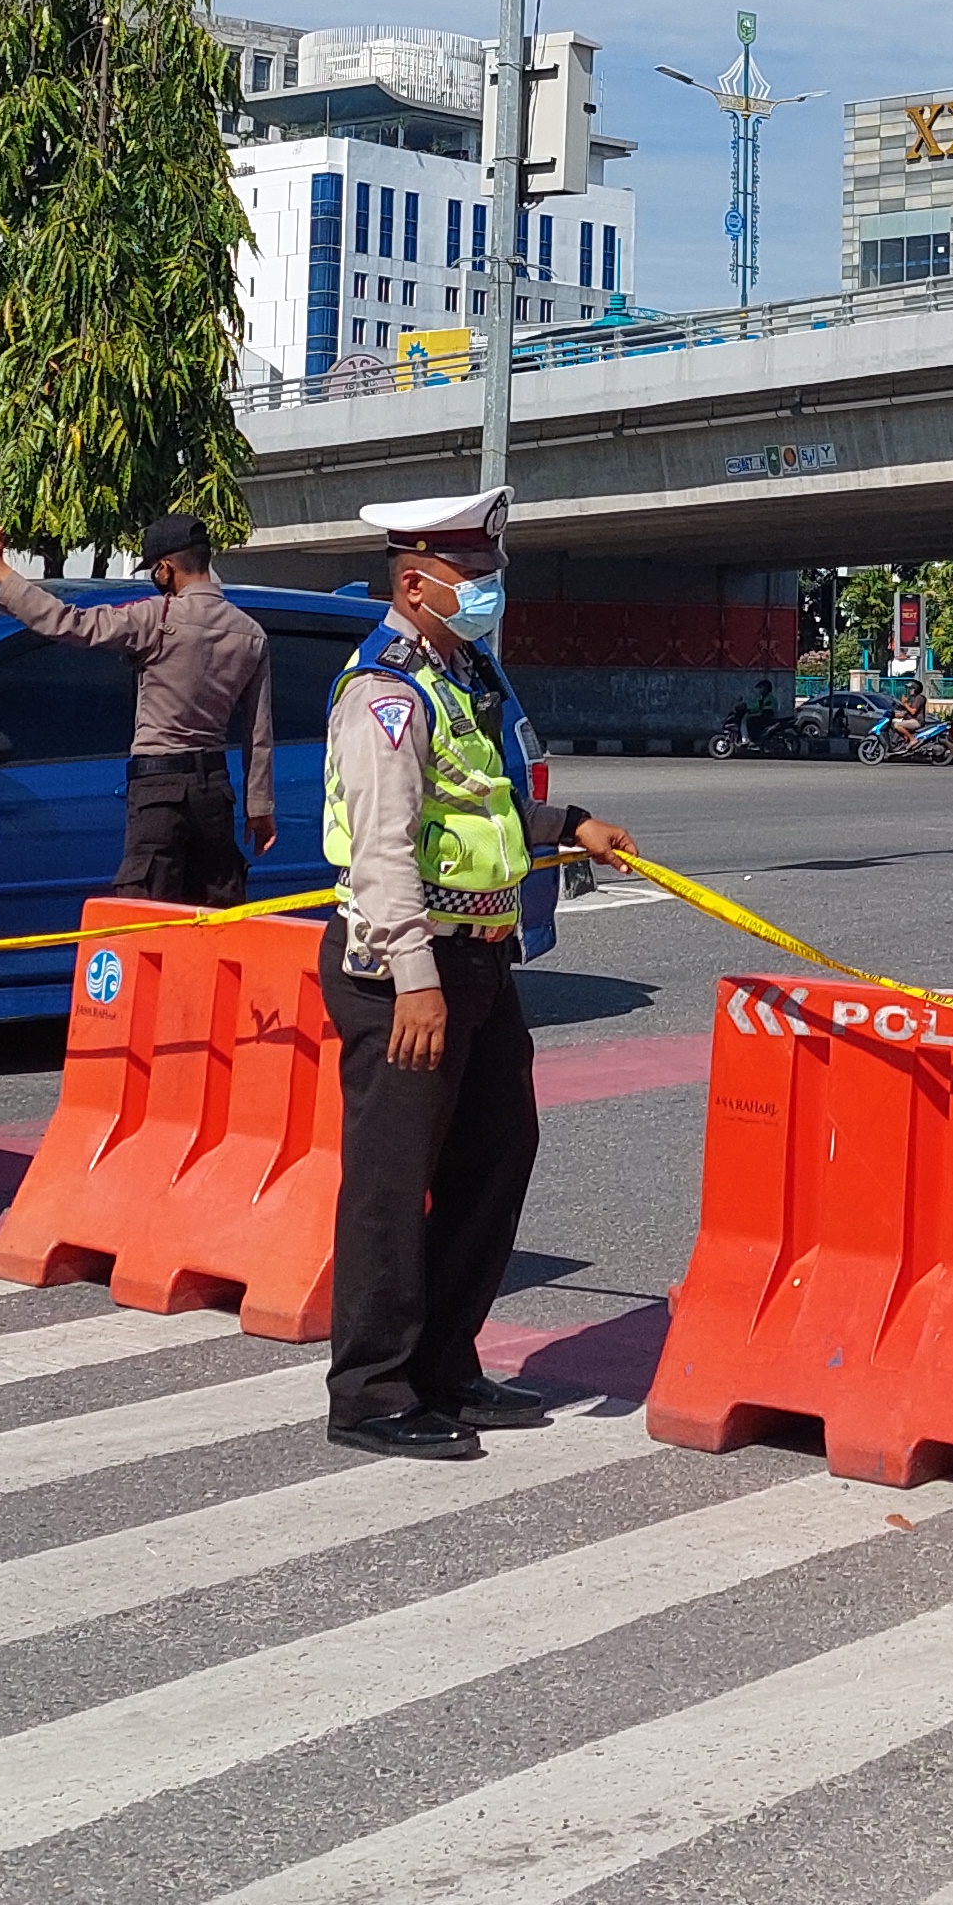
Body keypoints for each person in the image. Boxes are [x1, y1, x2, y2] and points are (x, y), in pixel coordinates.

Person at [318, 482, 639, 1462]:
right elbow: (378, 850)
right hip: (402, 968)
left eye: (494, 574)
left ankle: (447, 1365)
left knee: (496, 1152)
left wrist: (568, 825)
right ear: (417, 584)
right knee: (392, 1179)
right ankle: (372, 1390)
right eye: (475, 576)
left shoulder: (461, 677)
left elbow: (478, 802)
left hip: (480, 960)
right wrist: (412, 978)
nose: (491, 591)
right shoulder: (386, 692)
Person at [0, 508, 276, 901]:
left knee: (143, 909)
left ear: (166, 569)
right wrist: (260, 807)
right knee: (212, 915)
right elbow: (259, 732)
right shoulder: (251, 634)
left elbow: (69, 622)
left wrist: (0, 570)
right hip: (215, 795)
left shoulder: (156, 617)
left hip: (159, 788)